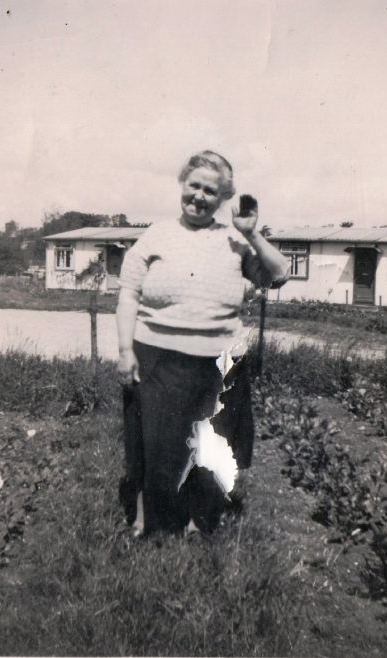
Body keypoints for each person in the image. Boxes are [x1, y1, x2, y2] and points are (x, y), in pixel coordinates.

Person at [116, 150, 288, 537]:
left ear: (224, 198)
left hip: (218, 362)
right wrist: (126, 350)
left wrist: (251, 233)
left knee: (212, 445)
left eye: (211, 191)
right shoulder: (156, 235)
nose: (199, 196)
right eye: (194, 185)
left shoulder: (236, 241)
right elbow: (128, 293)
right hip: (157, 358)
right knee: (154, 445)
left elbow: (278, 276)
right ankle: (148, 523)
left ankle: (199, 523)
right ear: (182, 183)